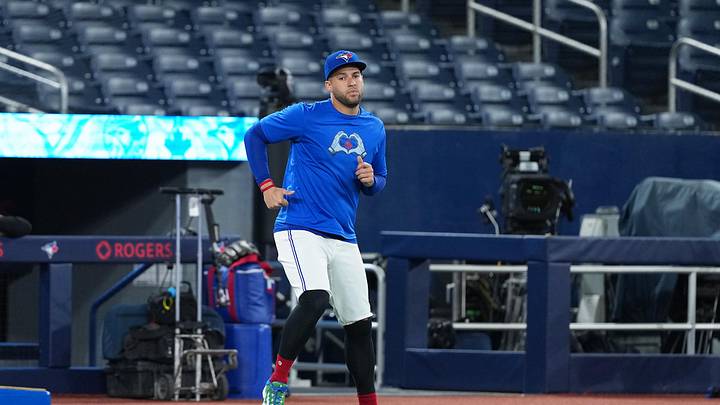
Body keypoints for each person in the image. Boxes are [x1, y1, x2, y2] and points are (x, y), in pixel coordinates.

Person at [244, 50, 387, 405]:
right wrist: (266, 186)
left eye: (356, 75)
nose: (351, 81)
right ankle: (276, 381)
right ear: (329, 85)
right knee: (316, 298)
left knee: (359, 326)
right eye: (342, 76)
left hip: (343, 235)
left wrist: (371, 180)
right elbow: (254, 136)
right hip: (300, 225)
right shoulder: (306, 115)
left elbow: (380, 179)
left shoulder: (374, 127)